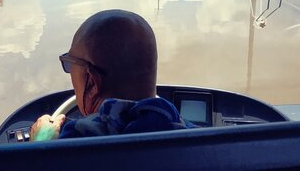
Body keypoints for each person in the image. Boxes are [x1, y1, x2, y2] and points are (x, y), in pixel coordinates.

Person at [30, 9, 193, 141]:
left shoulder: (72, 142)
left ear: (92, 82)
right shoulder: (201, 139)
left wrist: (39, 146)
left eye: (70, 65)